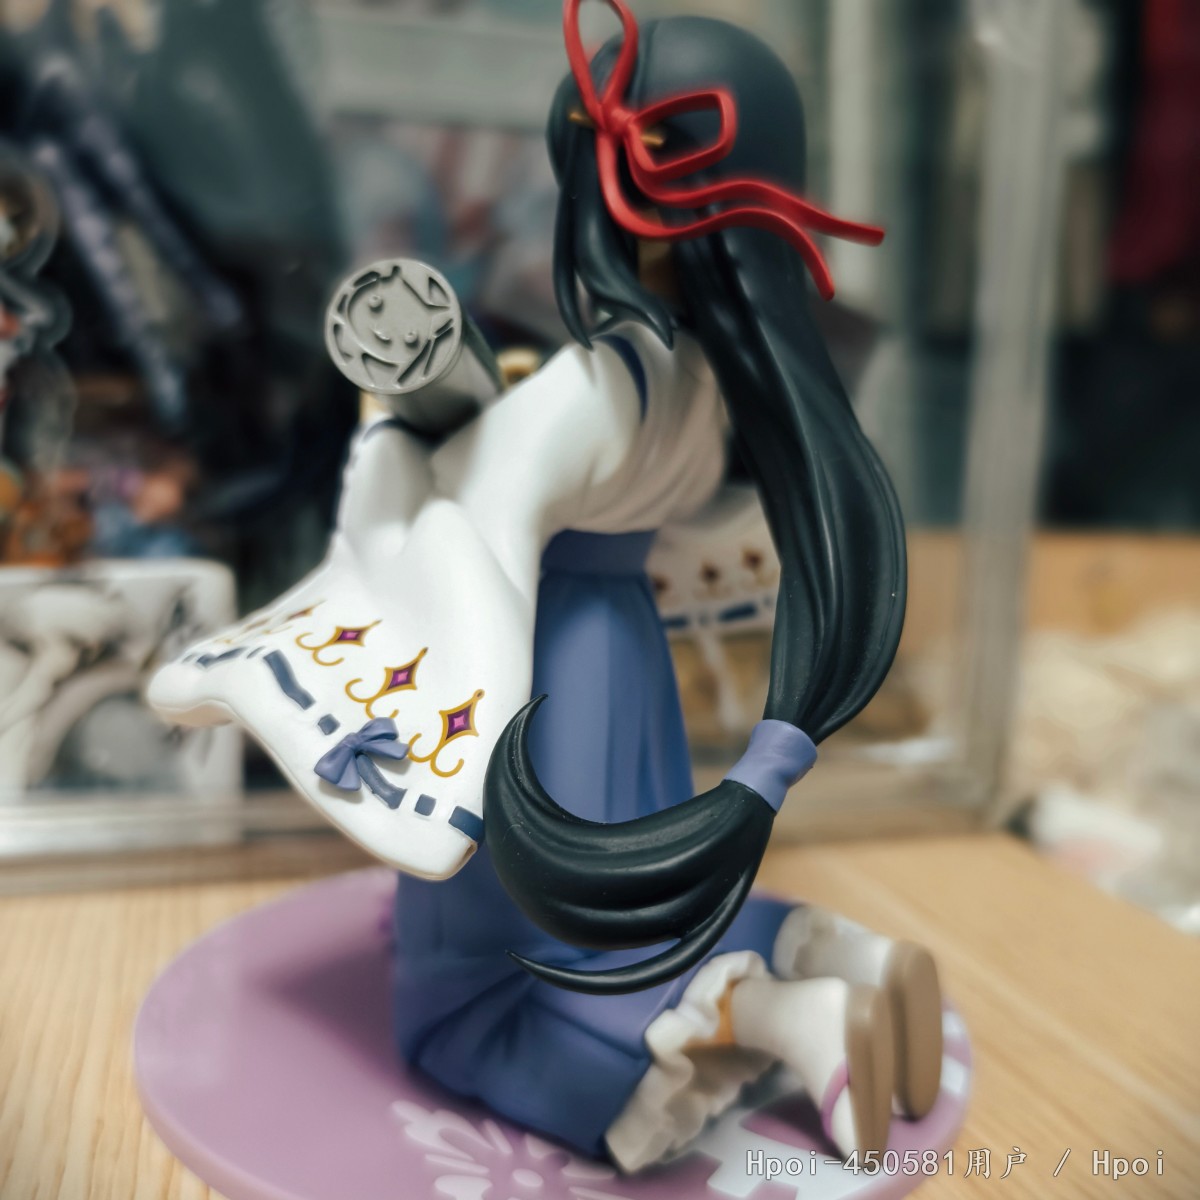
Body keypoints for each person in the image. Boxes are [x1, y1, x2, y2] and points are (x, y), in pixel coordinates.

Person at [150, 0, 943, 1172]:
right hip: (624, 649)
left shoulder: (595, 384)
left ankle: (776, 1016)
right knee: (629, 912)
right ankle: (828, 956)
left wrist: (410, 455)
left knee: (469, 992)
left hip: (532, 666)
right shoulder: (713, 378)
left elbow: (472, 531)